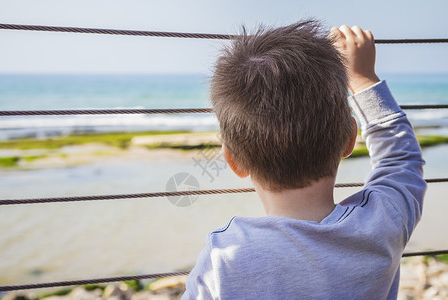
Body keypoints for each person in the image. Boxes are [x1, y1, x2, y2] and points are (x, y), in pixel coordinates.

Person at [182, 20, 426, 299]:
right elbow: (401, 160)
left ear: (234, 161)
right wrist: (362, 79)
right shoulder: (383, 223)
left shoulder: (224, 257)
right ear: (349, 140)